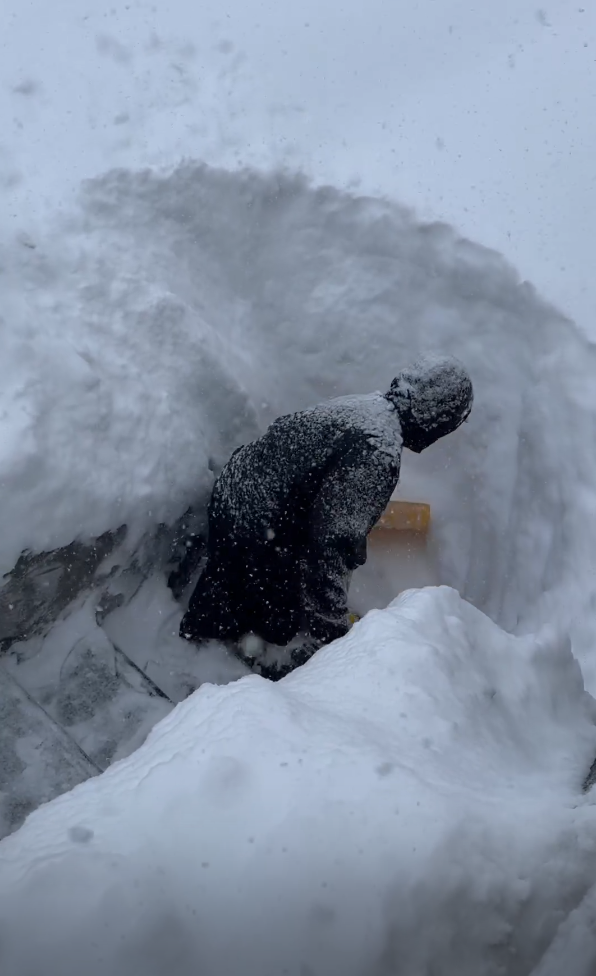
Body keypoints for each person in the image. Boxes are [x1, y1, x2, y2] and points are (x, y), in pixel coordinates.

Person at [180, 355, 473, 679]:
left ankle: (210, 620)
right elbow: (331, 548)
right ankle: (212, 666)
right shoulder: (377, 451)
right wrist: (336, 638)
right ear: (435, 421)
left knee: (240, 583)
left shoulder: (363, 408)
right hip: (253, 532)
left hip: (235, 494)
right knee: (279, 624)